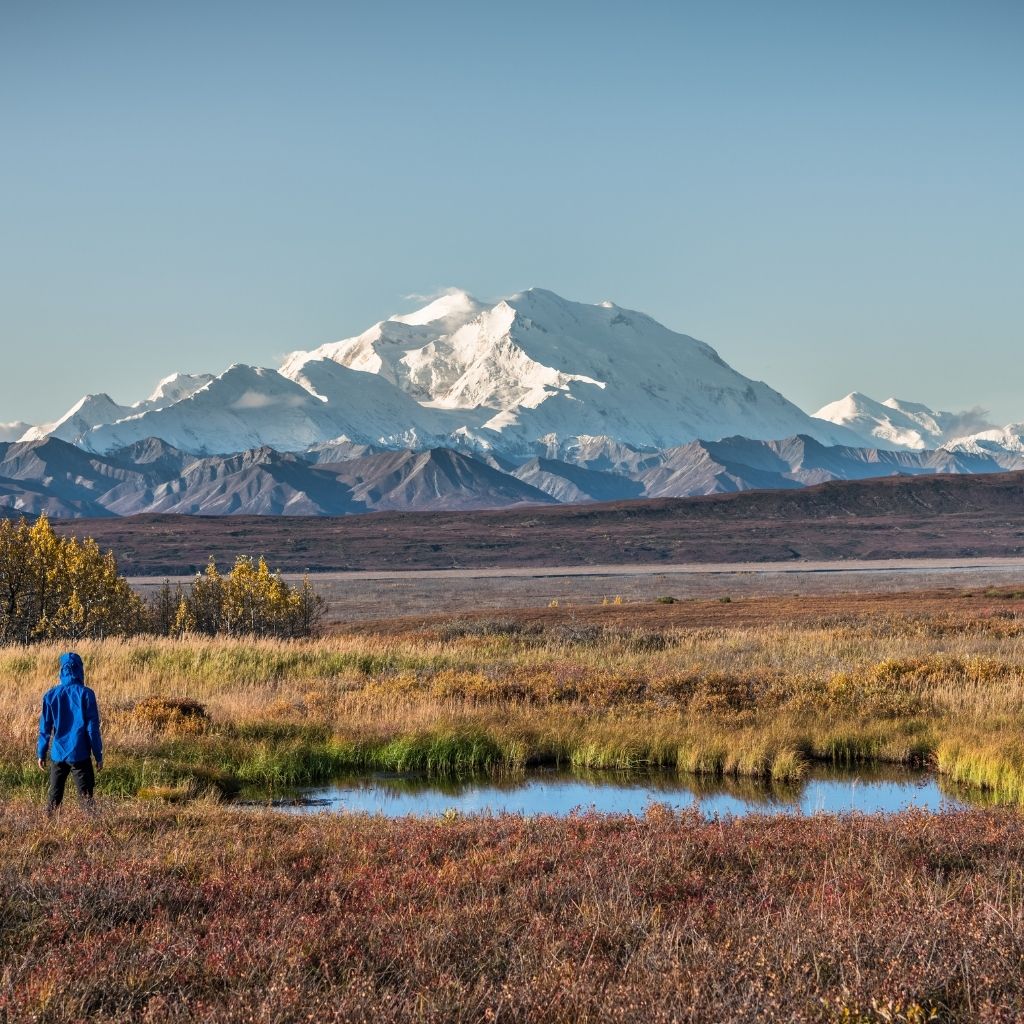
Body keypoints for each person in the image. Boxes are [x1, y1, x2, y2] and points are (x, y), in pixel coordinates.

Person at [37, 652, 104, 816]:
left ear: (62, 670)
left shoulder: (50, 695)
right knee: (86, 798)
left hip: (58, 753)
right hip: (80, 754)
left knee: (54, 795)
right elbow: (92, 729)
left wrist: (41, 752)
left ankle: (47, 828)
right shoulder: (87, 694)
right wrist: (98, 754)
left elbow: (45, 728)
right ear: (80, 669)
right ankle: (93, 831)